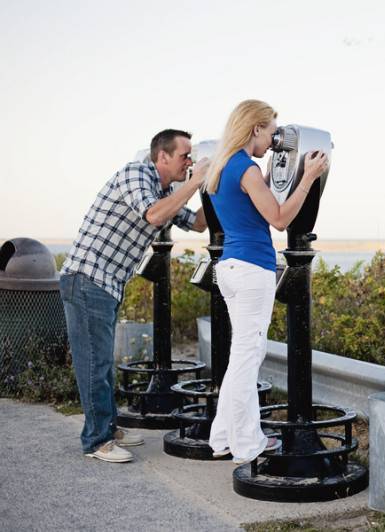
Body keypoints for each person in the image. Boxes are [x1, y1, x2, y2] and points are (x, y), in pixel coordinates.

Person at [60, 129, 209, 463]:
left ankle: (108, 427)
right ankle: (96, 442)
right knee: (94, 364)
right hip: (87, 278)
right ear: (162, 156)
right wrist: (194, 183)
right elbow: (154, 214)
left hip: (106, 283)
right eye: (185, 155)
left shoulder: (168, 189)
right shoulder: (135, 174)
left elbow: (198, 224)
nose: (190, 161)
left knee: (104, 363)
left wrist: (215, 183)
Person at [204, 100, 327, 464]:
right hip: (251, 270)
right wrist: (307, 177)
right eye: (272, 131)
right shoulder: (247, 169)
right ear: (254, 128)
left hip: (229, 268)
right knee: (247, 357)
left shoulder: (220, 167)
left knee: (241, 356)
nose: (274, 139)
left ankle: (222, 437)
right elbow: (278, 219)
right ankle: (246, 445)